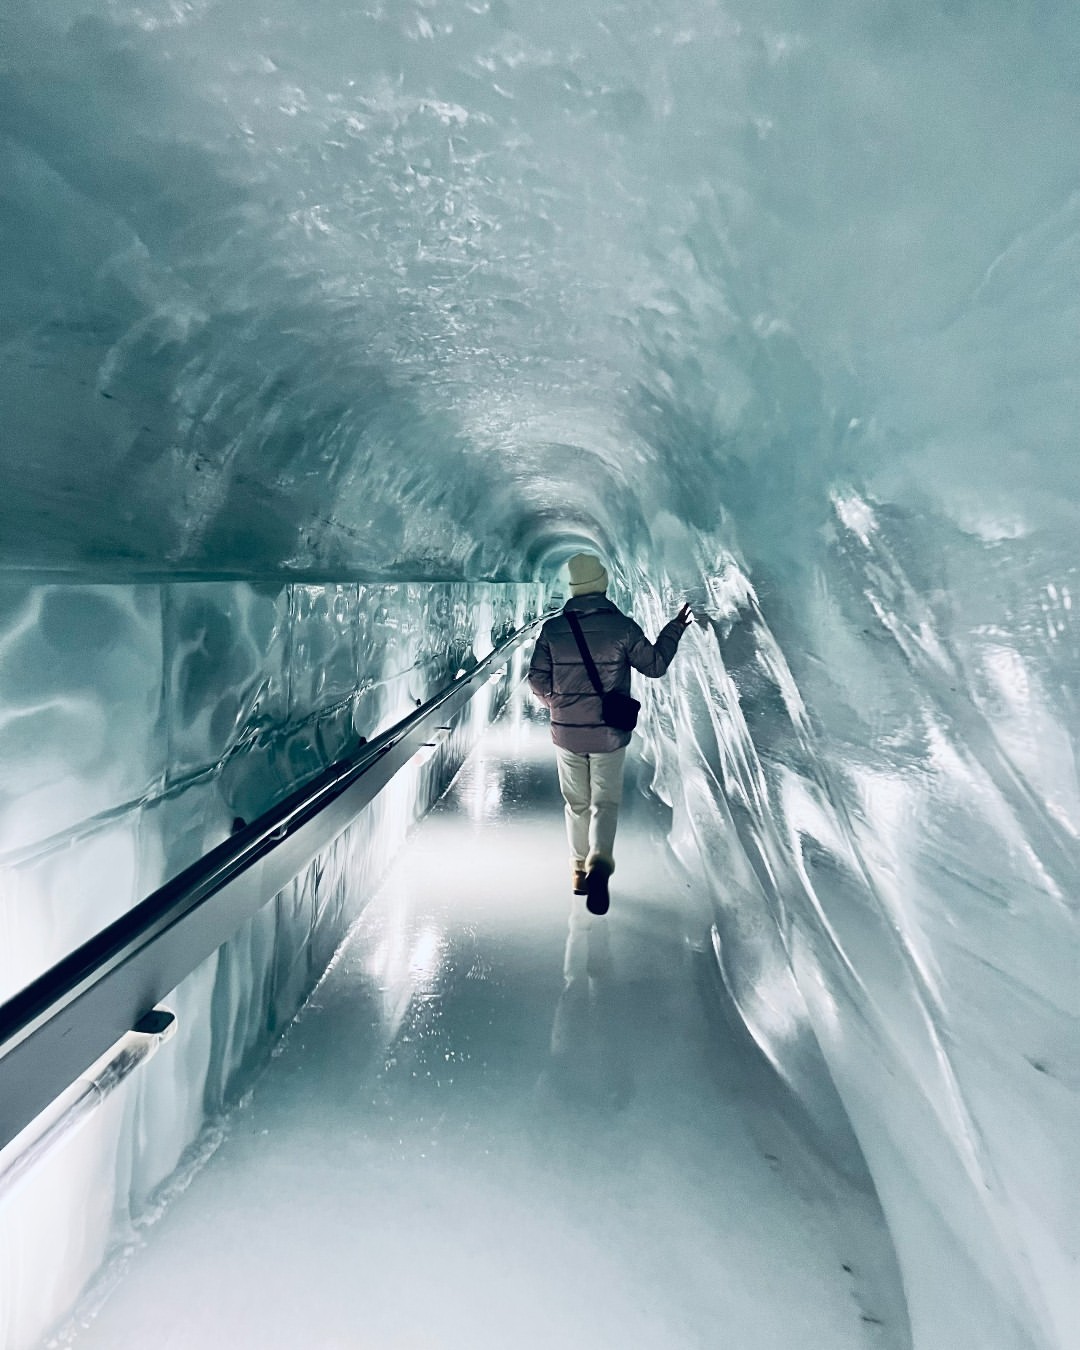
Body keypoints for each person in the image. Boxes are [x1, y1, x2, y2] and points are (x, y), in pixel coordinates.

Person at [527, 553, 692, 915]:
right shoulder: (622, 627)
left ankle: (578, 871)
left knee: (576, 803)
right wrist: (674, 628)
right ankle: (600, 861)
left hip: (567, 733)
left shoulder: (553, 630)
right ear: (602, 585)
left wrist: (557, 703)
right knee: (605, 803)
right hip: (609, 734)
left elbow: (536, 680)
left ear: (573, 589)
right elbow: (655, 665)